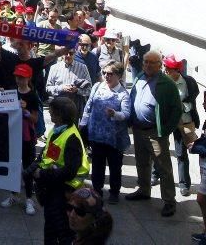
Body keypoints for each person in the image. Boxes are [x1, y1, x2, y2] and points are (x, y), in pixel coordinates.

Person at [125, 51, 182, 217]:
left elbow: (176, 110)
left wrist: (164, 130)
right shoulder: (139, 77)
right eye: (146, 62)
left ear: (160, 65)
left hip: (155, 133)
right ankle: (144, 190)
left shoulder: (167, 84)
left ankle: (169, 201)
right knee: (142, 163)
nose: (148, 65)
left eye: (152, 62)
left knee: (163, 168)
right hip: (137, 129)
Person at [29, 96, 89, 245]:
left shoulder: (72, 138)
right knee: (49, 229)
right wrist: (34, 167)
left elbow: (70, 171)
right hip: (53, 189)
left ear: (60, 115)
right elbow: (47, 154)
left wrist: (42, 174)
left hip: (64, 193)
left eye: (52, 111)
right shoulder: (57, 131)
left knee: (62, 231)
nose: (49, 113)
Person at [79, 61, 130, 204]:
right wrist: (83, 125)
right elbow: (88, 106)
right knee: (97, 165)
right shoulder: (97, 87)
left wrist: (115, 114)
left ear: (119, 76)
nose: (106, 76)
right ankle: (97, 191)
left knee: (115, 166)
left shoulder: (123, 94)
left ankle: (114, 192)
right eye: (104, 73)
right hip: (96, 135)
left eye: (110, 74)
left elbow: (126, 114)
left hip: (114, 138)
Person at [0, 64, 41, 215]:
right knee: (13, 166)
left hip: (26, 136)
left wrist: (26, 111)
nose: (19, 80)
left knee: (28, 166)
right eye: (17, 76)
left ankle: (29, 198)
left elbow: (35, 119)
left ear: (28, 78)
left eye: (22, 77)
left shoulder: (32, 96)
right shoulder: (11, 91)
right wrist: (1, 95)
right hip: (12, 134)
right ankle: (13, 195)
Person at [162, 54, 200, 196]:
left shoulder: (189, 82)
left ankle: (184, 184)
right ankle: (155, 174)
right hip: (168, 121)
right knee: (161, 148)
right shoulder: (164, 81)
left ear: (177, 70)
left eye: (168, 68)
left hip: (184, 121)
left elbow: (192, 102)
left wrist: (182, 107)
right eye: (165, 67)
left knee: (183, 153)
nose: (165, 70)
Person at [46, 51, 92, 119]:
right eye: (66, 53)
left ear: (75, 54)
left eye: (71, 53)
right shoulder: (54, 68)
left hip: (75, 107)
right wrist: (61, 88)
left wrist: (77, 90)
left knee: (74, 128)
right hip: (59, 107)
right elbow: (48, 88)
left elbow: (89, 90)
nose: (68, 55)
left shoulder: (82, 67)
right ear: (62, 54)